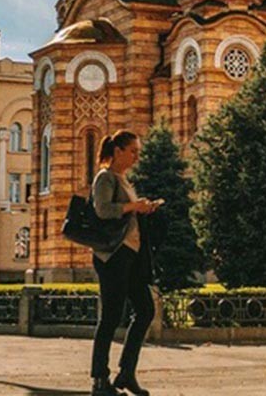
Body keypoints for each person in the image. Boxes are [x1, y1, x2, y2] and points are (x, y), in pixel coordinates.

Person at [89, 130, 160, 396]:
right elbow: (102, 210)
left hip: (131, 255)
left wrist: (144, 208)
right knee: (110, 317)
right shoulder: (105, 177)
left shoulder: (124, 180)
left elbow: (127, 213)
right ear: (117, 151)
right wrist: (133, 207)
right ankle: (99, 380)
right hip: (112, 256)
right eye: (133, 151)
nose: (136, 156)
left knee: (145, 310)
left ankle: (127, 373)